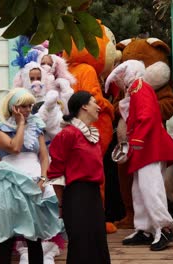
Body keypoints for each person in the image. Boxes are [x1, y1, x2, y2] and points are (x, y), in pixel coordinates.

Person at [104, 60, 173, 251]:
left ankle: (163, 228)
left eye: (121, 76)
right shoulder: (134, 90)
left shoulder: (140, 87)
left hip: (149, 147)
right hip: (143, 148)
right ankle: (145, 228)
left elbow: (147, 115)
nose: (119, 80)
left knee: (150, 188)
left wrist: (136, 141)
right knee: (139, 190)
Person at [0, 88, 64, 264]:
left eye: (29, 106)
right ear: (12, 107)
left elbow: (43, 155)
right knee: (6, 236)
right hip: (8, 183)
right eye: (22, 106)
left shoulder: (37, 123)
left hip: (34, 182)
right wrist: (21, 124)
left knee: (34, 237)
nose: (27, 110)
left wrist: (42, 179)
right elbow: (15, 147)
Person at [47, 91, 111, 264]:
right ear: (84, 106)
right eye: (93, 103)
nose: (98, 107)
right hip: (75, 195)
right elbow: (55, 172)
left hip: (93, 194)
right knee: (81, 244)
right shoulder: (67, 134)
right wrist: (62, 203)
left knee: (98, 242)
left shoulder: (92, 135)